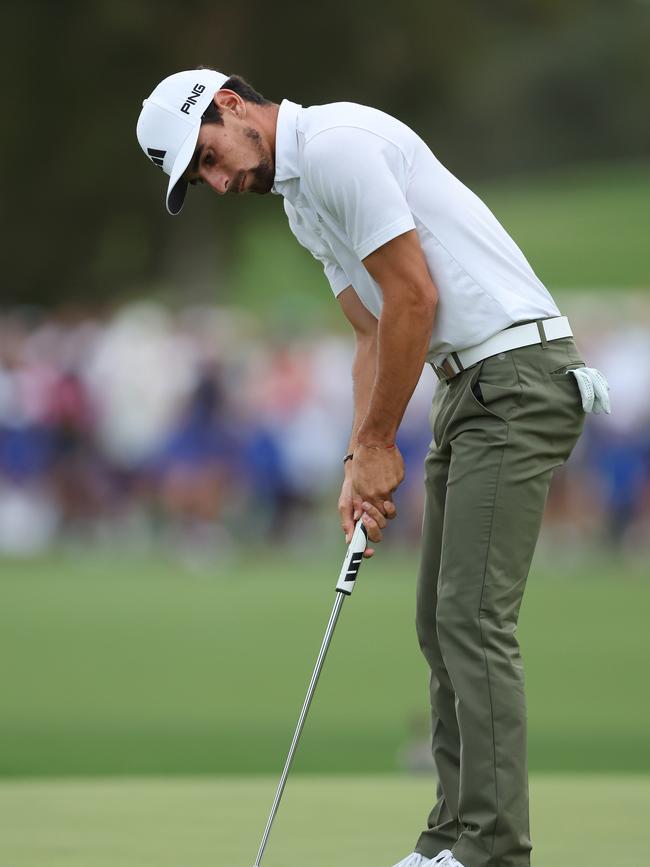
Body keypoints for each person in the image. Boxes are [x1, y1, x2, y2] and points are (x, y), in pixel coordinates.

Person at [136, 69, 610, 867]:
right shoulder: (299, 198)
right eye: (201, 178)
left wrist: (384, 441)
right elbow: (369, 331)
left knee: (471, 619)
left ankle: (492, 850)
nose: (219, 182)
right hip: (471, 388)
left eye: (209, 158)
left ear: (229, 105)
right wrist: (359, 457)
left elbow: (414, 300)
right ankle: (449, 839)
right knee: (438, 619)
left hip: (520, 377)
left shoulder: (338, 149)